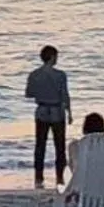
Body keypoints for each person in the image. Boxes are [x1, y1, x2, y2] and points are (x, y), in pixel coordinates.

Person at [25, 45, 70, 188]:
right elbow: (65, 96)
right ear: (52, 57)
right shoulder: (60, 75)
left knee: (40, 145)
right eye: (56, 56)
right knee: (60, 146)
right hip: (57, 111)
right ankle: (60, 177)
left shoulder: (34, 74)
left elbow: (29, 93)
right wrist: (70, 112)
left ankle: (38, 178)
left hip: (42, 110)